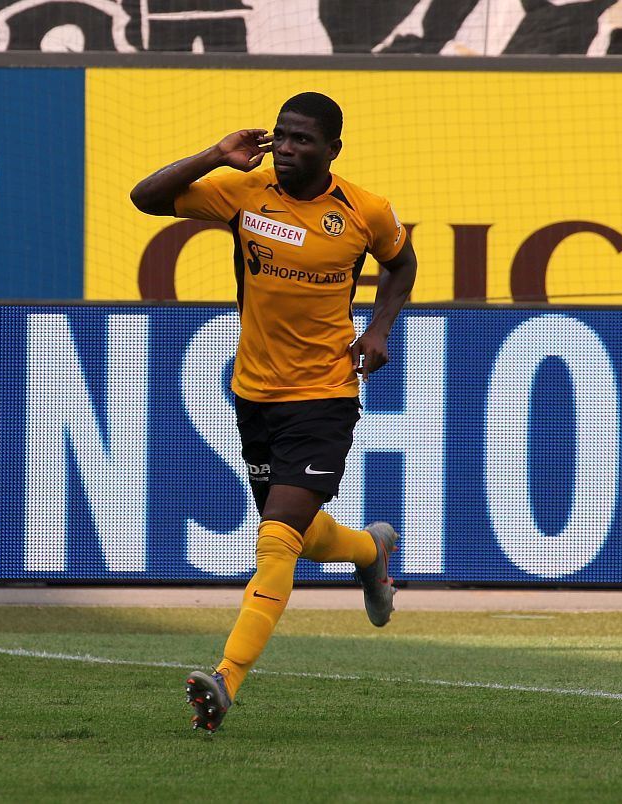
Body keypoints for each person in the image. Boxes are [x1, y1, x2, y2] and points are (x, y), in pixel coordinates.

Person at [131, 91, 417, 733]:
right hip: (254, 394)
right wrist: (216, 154)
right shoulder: (244, 191)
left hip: (324, 395)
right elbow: (145, 198)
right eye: (281, 136)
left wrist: (379, 328)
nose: (286, 149)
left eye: (302, 140)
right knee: (296, 534)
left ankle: (225, 679)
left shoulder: (364, 210)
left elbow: (402, 264)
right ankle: (369, 550)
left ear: (332, 150)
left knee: (277, 537)